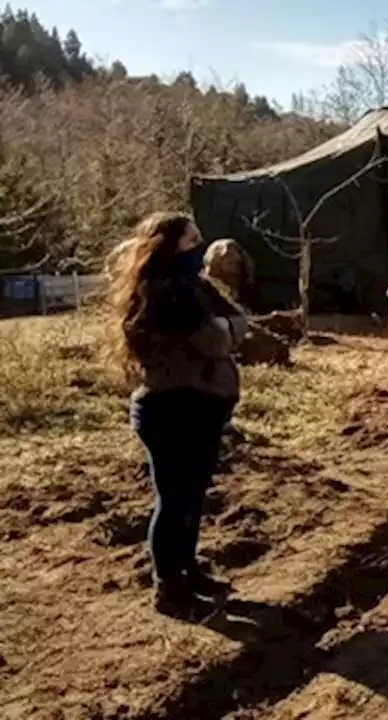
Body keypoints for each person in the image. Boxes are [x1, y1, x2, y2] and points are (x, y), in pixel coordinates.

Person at [107, 211, 248, 618]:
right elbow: (217, 338)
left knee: (193, 495)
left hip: (200, 406)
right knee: (174, 500)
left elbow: (239, 322)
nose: (200, 248)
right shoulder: (165, 294)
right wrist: (226, 330)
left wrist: (228, 328)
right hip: (171, 409)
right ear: (170, 246)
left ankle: (188, 570)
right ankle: (167, 588)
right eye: (192, 241)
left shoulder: (194, 287)